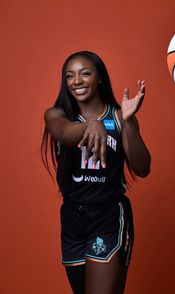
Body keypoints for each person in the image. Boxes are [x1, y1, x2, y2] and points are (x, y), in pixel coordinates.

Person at [41, 51, 151, 294]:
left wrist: (129, 122)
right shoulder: (57, 115)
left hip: (108, 216)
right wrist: (91, 125)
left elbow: (143, 168)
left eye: (85, 73)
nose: (77, 81)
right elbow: (64, 133)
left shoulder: (118, 118)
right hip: (72, 217)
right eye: (70, 76)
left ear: (99, 77)